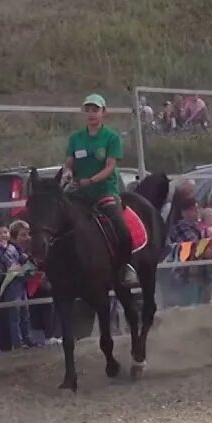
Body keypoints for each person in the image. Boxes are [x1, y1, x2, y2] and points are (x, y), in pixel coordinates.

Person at [63, 94, 135, 286]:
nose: (91, 114)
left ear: (104, 113)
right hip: (79, 192)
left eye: (95, 110)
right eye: (88, 110)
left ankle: (126, 266)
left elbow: (110, 166)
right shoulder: (75, 138)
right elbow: (69, 163)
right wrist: (68, 173)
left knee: (121, 228)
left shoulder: (111, 138)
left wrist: (91, 180)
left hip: (105, 191)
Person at [0, 222, 35, 349]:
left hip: (19, 280)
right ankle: (17, 341)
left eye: (5, 232)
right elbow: (3, 260)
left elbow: (19, 259)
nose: (3, 236)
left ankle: (28, 337)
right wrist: (4, 249)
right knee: (14, 313)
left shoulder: (13, 247)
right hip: (8, 282)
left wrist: (24, 258)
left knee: (25, 311)